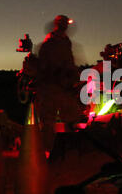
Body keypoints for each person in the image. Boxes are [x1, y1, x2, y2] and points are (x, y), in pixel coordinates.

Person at [34, 15, 84, 151]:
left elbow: (69, 62)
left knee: (71, 116)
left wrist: (74, 77)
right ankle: (47, 151)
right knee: (48, 121)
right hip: (50, 87)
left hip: (63, 88)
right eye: (62, 23)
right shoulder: (50, 43)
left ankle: (68, 150)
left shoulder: (65, 42)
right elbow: (46, 66)